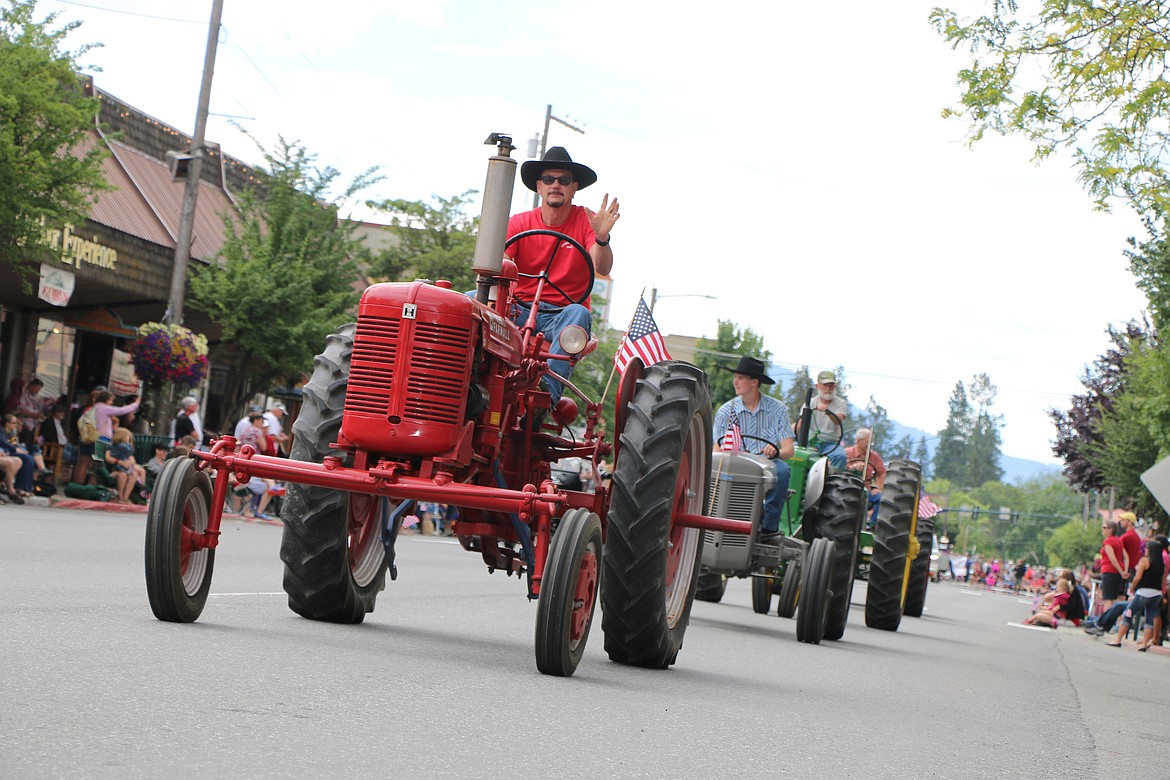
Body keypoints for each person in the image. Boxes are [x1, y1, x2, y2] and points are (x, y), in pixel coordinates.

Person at [503, 146, 620, 403]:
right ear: (539, 186)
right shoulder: (519, 223)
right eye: (548, 179)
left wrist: (601, 238)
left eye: (564, 180)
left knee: (579, 312)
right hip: (519, 310)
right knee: (469, 302)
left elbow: (602, 267)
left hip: (561, 314)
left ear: (574, 187)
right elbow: (501, 262)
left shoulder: (585, 221)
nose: (556, 185)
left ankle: (545, 398)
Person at [712, 356, 795, 542]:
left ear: (754, 382)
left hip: (767, 465)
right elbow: (717, 450)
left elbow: (789, 450)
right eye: (736, 377)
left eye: (741, 377)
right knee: (714, 470)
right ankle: (715, 519)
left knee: (782, 470)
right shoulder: (726, 411)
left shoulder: (778, 410)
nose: (735, 381)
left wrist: (775, 451)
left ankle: (768, 529)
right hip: (734, 463)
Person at [1105, 539, 1165, 650]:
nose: (1145, 550)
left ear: (1150, 550)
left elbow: (1138, 577)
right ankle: (1144, 644)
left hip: (1143, 593)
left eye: (1147, 548)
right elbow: (1162, 581)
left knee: (1128, 613)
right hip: (1157, 594)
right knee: (1149, 619)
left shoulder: (1144, 561)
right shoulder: (1161, 565)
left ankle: (1118, 640)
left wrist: (1132, 587)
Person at [796, 370, 847, 469]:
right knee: (794, 453)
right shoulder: (810, 403)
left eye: (830, 385)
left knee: (840, 457)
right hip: (811, 441)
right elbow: (801, 424)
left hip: (831, 443)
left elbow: (838, 420)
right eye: (825, 385)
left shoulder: (841, 403)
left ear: (835, 386)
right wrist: (796, 428)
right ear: (818, 386)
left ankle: (831, 481)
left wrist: (827, 411)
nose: (828, 389)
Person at [845, 427, 886, 526]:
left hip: (866, 491)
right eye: (868, 441)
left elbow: (882, 474)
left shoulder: (874, 457)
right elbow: (840, 470)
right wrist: (853, 467)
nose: (870, 445)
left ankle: (872, 525)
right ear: (859, 441)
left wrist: (878, 489)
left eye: (871, 442)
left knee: (882, 499)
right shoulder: (847, 453)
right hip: (847, 489)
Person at [92, 391, 141, 467]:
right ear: (105, 399)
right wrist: (136, 404)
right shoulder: (103, 408)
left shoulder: (96, 407)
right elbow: (122, 410)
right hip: (102, 438)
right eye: (110, 400)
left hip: (95, 437)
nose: (111, 403)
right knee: (100, 465)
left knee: (91, 464)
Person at [105, 427, 146, 504]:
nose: (128, 439)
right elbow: (108, 458)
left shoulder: (127, 449)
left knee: (134, 474)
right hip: (114, 470)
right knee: (122, 474)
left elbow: (132, 460)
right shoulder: (112, 446)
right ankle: (120, 496)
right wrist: (119, 462)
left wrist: (129, 462)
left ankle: (125, 497)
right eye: (127, 437)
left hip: (125, 469)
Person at [1, 413, 36, 503]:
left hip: (6, 453)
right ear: (7, 423)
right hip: (7, 452)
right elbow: (4, 443)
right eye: (14, 423)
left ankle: (22, 487)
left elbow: (15, 444)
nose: (16, 425)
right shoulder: (1, 431)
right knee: (25, 459)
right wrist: (15, 449)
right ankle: (11, 490)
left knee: (23, 459)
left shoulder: (12, 432)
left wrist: (21, 449)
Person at [16, 377, 48, 447]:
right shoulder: (24, 395)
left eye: (39, 389)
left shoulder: (38, 397)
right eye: (37, 389)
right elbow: (21, 410)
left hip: (34, 425)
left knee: (30, 443)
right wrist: (33, 415)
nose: (38, 391)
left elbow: (40, 409)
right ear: (31, 386)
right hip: (25, 424)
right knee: (24, 443)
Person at [1117, 511, 1143, 581]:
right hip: (1132, 569)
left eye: (1123, 520)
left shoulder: (1126, 537)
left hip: (1124, 569)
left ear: (1130, 522)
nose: (1121, 522)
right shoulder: (1137, 537)